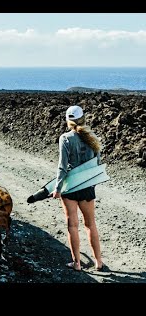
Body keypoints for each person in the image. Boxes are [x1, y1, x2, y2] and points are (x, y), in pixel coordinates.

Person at [53, 105, 104, 272]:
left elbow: (62, 167)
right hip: (87, 186)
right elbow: (97, 163)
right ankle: (98, 262)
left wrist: (57, 188)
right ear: (83, 119)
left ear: (68, 121)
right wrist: (92, 183)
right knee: (91, 224)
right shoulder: (93, 137)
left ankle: (77, 264)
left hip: (71, 187)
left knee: (72, 226)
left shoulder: (65, 138)